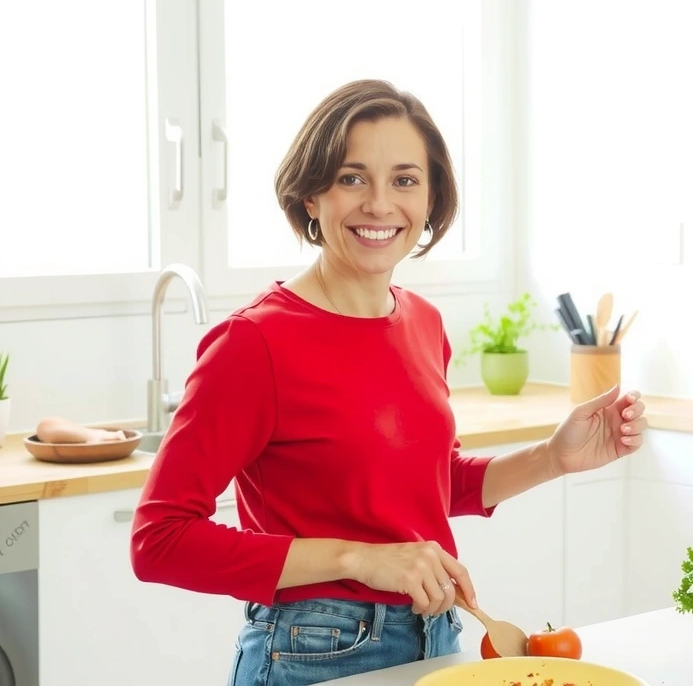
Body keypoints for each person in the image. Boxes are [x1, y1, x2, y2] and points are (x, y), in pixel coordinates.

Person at [129, 79, 649, 686]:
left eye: (405, 180)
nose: (380, 204)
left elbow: (422, 485)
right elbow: (158, 541)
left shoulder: (423, 322)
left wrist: (551, 458)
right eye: (352, 178)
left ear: (431, 199)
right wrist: (360, 560)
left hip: (437, 635)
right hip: (313, 651)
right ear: (310, 196)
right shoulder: (254, 343)